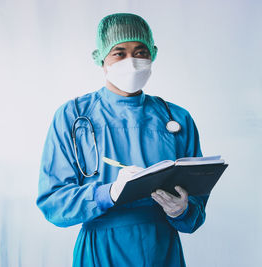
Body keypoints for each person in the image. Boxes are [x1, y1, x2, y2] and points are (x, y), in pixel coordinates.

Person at [36, 13, 208, 267]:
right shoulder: (74, 116)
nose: (132, 61)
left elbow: (196, 203)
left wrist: (182, 210)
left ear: (152, 54)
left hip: (161, 249)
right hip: (102, 249)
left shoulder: (176, 118)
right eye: (119, 53)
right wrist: (107, 194)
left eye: (140, 52)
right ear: (101, 59)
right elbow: (53, 203)